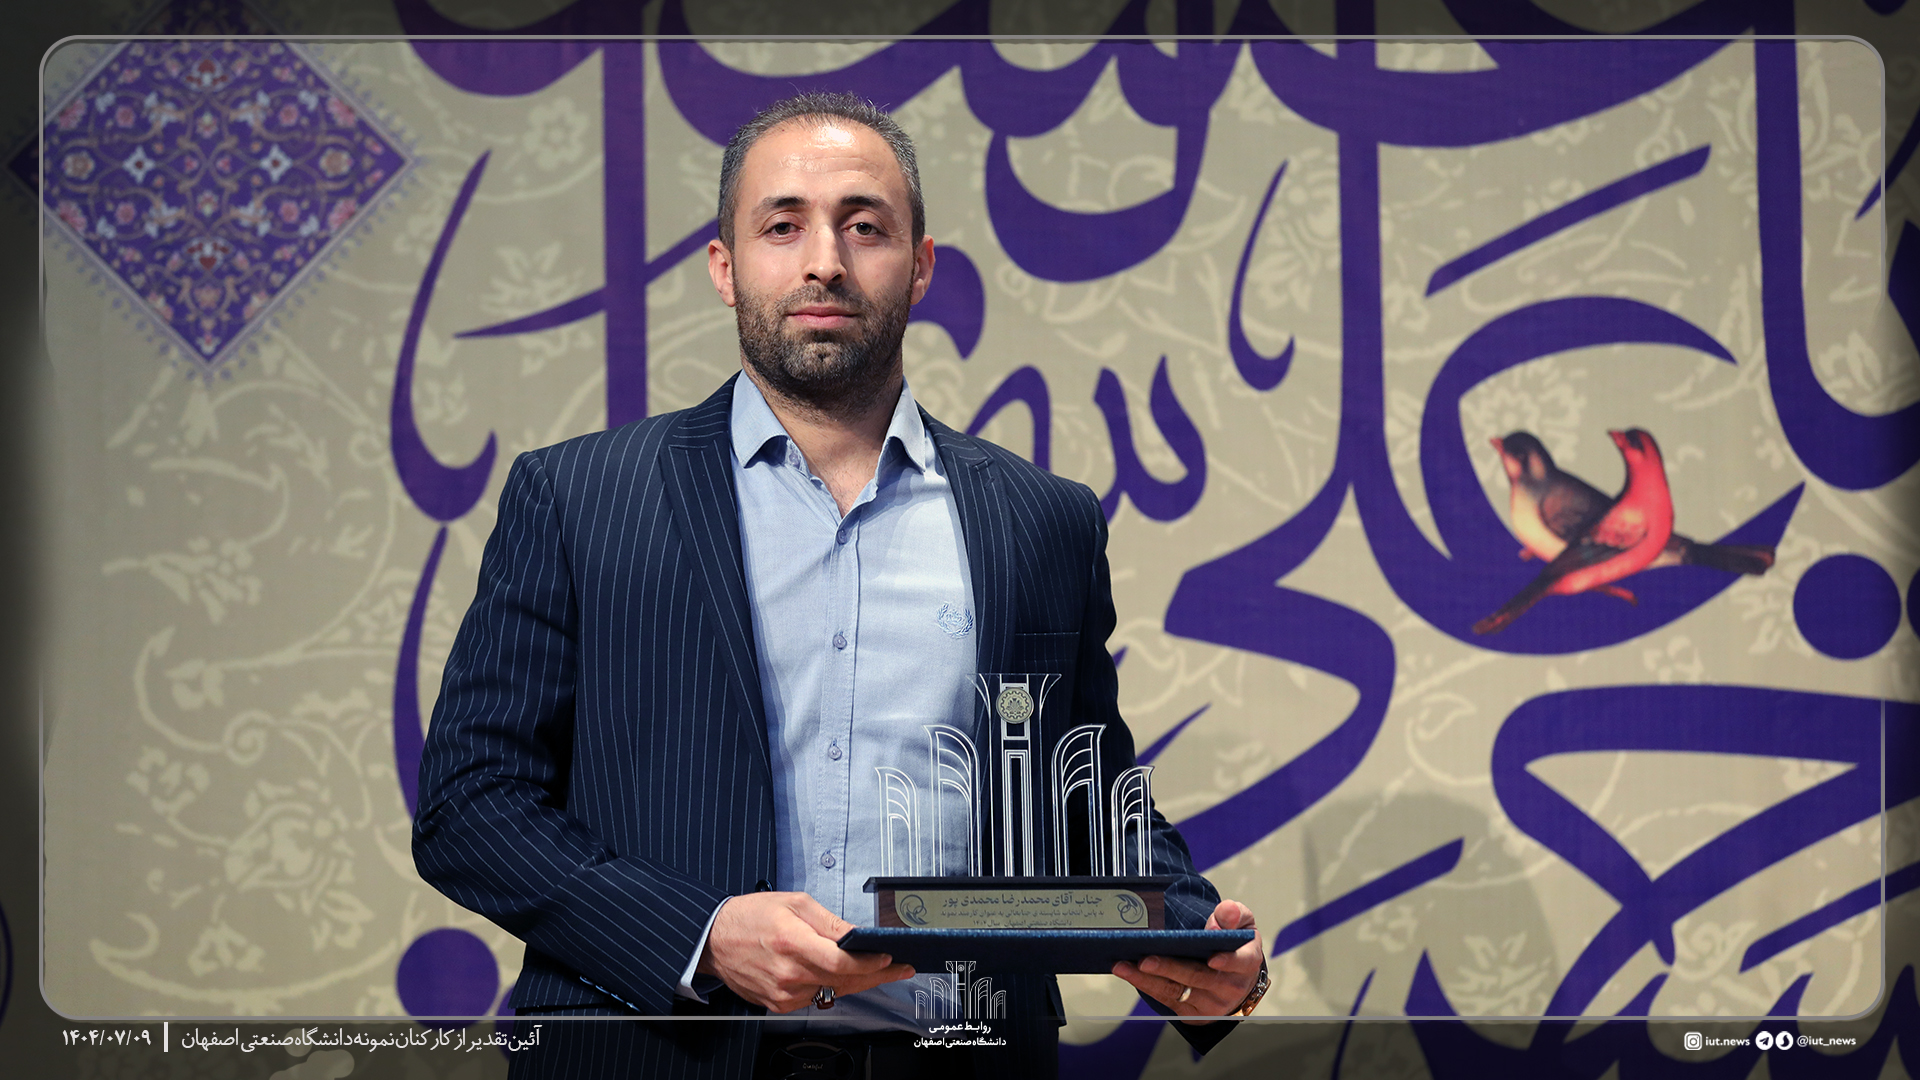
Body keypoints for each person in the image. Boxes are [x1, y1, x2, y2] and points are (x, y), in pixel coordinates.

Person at [414, 91, 1269, 1080]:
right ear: (725, 267)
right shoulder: (578, 498)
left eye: (865, 227)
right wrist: (700, 934)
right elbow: (470, 804)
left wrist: (1202, 942)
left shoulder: (1044, 520)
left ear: (921, 265)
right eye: (783, 226)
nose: (824, 259)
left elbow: (1078, 799)